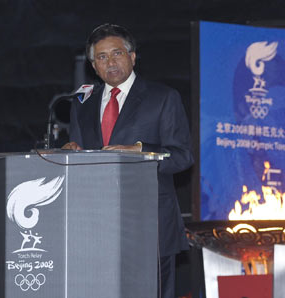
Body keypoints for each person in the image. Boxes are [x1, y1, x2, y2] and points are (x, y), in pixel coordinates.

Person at [62, 23, 193, 298]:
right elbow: (81, 156)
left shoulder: (163, 98)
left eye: (117, 53)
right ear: (93, 66)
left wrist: (141, 151)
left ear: (132, 57)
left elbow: (182, 156)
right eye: (101, 57)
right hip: (96, 223)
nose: (110, 62)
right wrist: (70, 152)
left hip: (150, 223)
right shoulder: (82, 103)